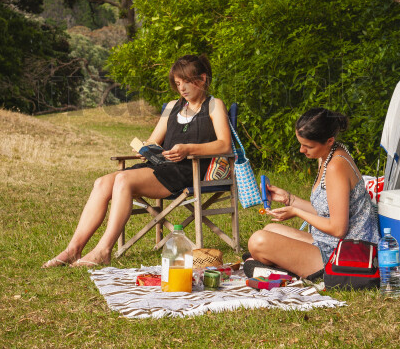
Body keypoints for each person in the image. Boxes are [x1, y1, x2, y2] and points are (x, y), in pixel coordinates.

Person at [43, 54, 232, 268]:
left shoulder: (214, 105)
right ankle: (72, 250)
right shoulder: (172, 107)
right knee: (102, 182)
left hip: (188, 170)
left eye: (186, 82)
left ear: (203, 79)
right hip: (159, 165)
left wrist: (188, 149)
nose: (182, 89)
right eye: (178, 83)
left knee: (123, 179)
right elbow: (154, 140)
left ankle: (103, 250)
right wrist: (146, 148)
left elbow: (224, 145)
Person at [247, 107, 379, 278]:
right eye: (301, 144)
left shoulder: (335, 167)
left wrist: (296, 212)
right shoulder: (327, 155)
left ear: (329, 140)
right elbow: (326, 210)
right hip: (328, 242)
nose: (302, 150)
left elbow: (338, 229)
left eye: (307, 146)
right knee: (270, 229)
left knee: (259, 241)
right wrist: (289, 199)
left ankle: (281, 269)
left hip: (344, 254)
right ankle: (279, 266)